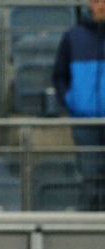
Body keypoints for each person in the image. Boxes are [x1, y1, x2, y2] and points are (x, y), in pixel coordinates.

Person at [53, 0, 105, 211]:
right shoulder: (73, 37)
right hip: (85, 123)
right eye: (98, 1)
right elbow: (59, 76)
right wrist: (71, 100)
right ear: (90, 5)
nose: (102, 6)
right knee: (90, 178)